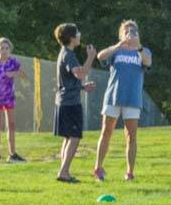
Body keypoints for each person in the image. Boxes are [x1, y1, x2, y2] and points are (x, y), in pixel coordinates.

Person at [93, 19, 152, 182]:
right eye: (127, 31)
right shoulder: (116, 51)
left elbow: (148, 62)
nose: (131, 34)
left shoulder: (143, 51)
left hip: (132, 99)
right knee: (106, 132)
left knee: (131, 136)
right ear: (121, 34)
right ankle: (98, 169)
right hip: (113, 96)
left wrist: (138, 47)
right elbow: (100, 56)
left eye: (134, 32)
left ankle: (130, 172)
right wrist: (119, 45)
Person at [52, 24, 97, 183]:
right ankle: (63, 172)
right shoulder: (69, 55)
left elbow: (71, 79)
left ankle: (63, 171)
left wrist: (82, 87)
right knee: (75, 137)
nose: (79, 34)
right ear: (71, 38)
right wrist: (91, 56)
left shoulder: (65, 53)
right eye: (77, 33)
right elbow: (80, 73)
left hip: (64, 101)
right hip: (70, 103)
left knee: (68, 137)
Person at [0, 38, 26, 162]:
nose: (5, 51)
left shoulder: (13, 62)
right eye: (2, 48)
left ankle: (12, 153)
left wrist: (14, 74)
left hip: (9, 98)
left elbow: (23, 75)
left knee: (11, 125)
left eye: (7, 48)